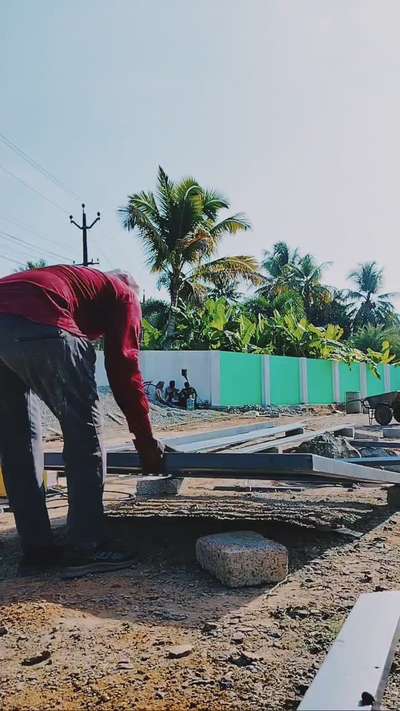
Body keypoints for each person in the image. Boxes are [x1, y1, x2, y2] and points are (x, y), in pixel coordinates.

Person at [0, 265, 164, 576]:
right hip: (41, 319)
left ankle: (37, 551)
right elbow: (124, 367)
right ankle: (87, 546)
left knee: (18, 442)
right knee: (83, 434)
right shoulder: (125, 293)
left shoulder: (78, 284)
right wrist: (145, 441)